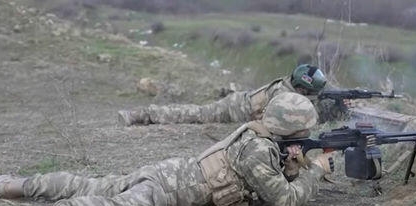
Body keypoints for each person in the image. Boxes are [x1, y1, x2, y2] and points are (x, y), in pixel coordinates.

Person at [0, 93, 334, 206]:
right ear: (292, 129)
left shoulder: (259, 137)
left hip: (169, 171)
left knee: (92, 184)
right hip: (167, 190)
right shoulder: (259, 150)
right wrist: (315, 170)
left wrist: (293, 166)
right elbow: (286, 201)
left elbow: (272, 180)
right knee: (112, 205)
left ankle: (13, 186)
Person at [118, 64, 344, 126]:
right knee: (194, 114)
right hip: (235, 108)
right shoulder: (283, 95)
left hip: (240, 100)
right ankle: (141, 115)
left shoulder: (289, 84)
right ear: (303, 89)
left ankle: (142, 114)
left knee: (196, 112)